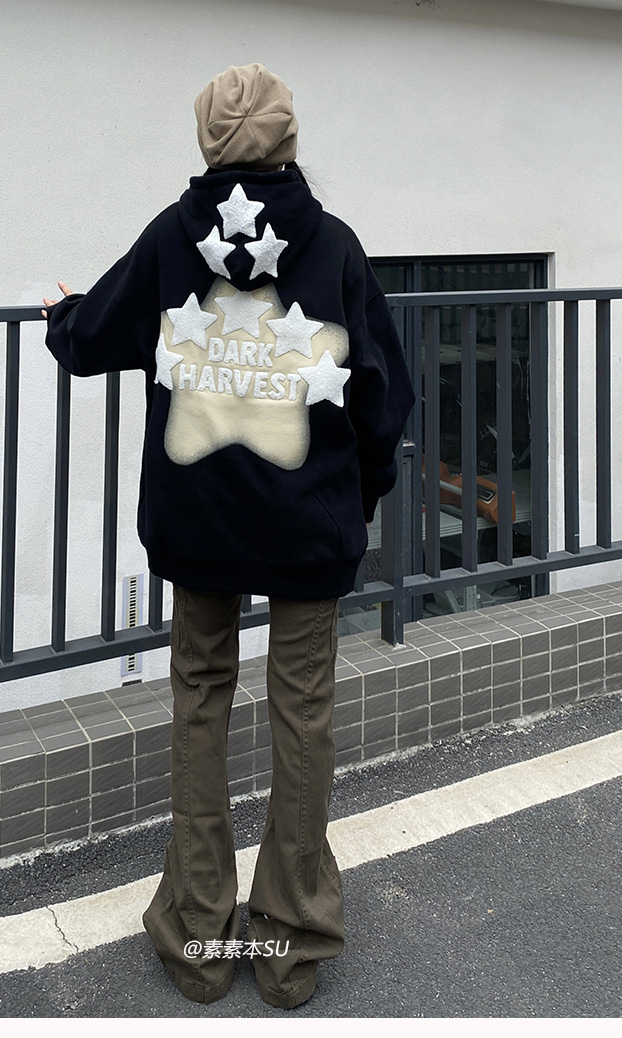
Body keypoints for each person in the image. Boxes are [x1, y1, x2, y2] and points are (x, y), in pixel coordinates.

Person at [43, 63, 415, 1010]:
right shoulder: (333, 245)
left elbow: (94, 337)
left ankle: (199, 938)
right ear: (289, 141)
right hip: (309, 522)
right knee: (304, 714)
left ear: (207, 139)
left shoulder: (172, 238)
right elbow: (383, 392)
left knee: (200, 702)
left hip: (198, 520)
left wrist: (61, 318)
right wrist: (360, 493)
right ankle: (290, 950)